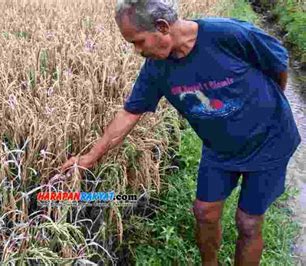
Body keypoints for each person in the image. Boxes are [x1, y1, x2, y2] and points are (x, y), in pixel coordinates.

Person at [60, 0, 302, 265]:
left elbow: (277, 63)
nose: (138, 51)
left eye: (138, 42)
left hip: (268, 142)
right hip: (219, 147)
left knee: (248, 222)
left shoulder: (227, 34)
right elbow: (130, 113)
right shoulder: (157, 68)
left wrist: (269, 107)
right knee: (204, 212)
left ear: (162, 27)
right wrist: (90, 158)